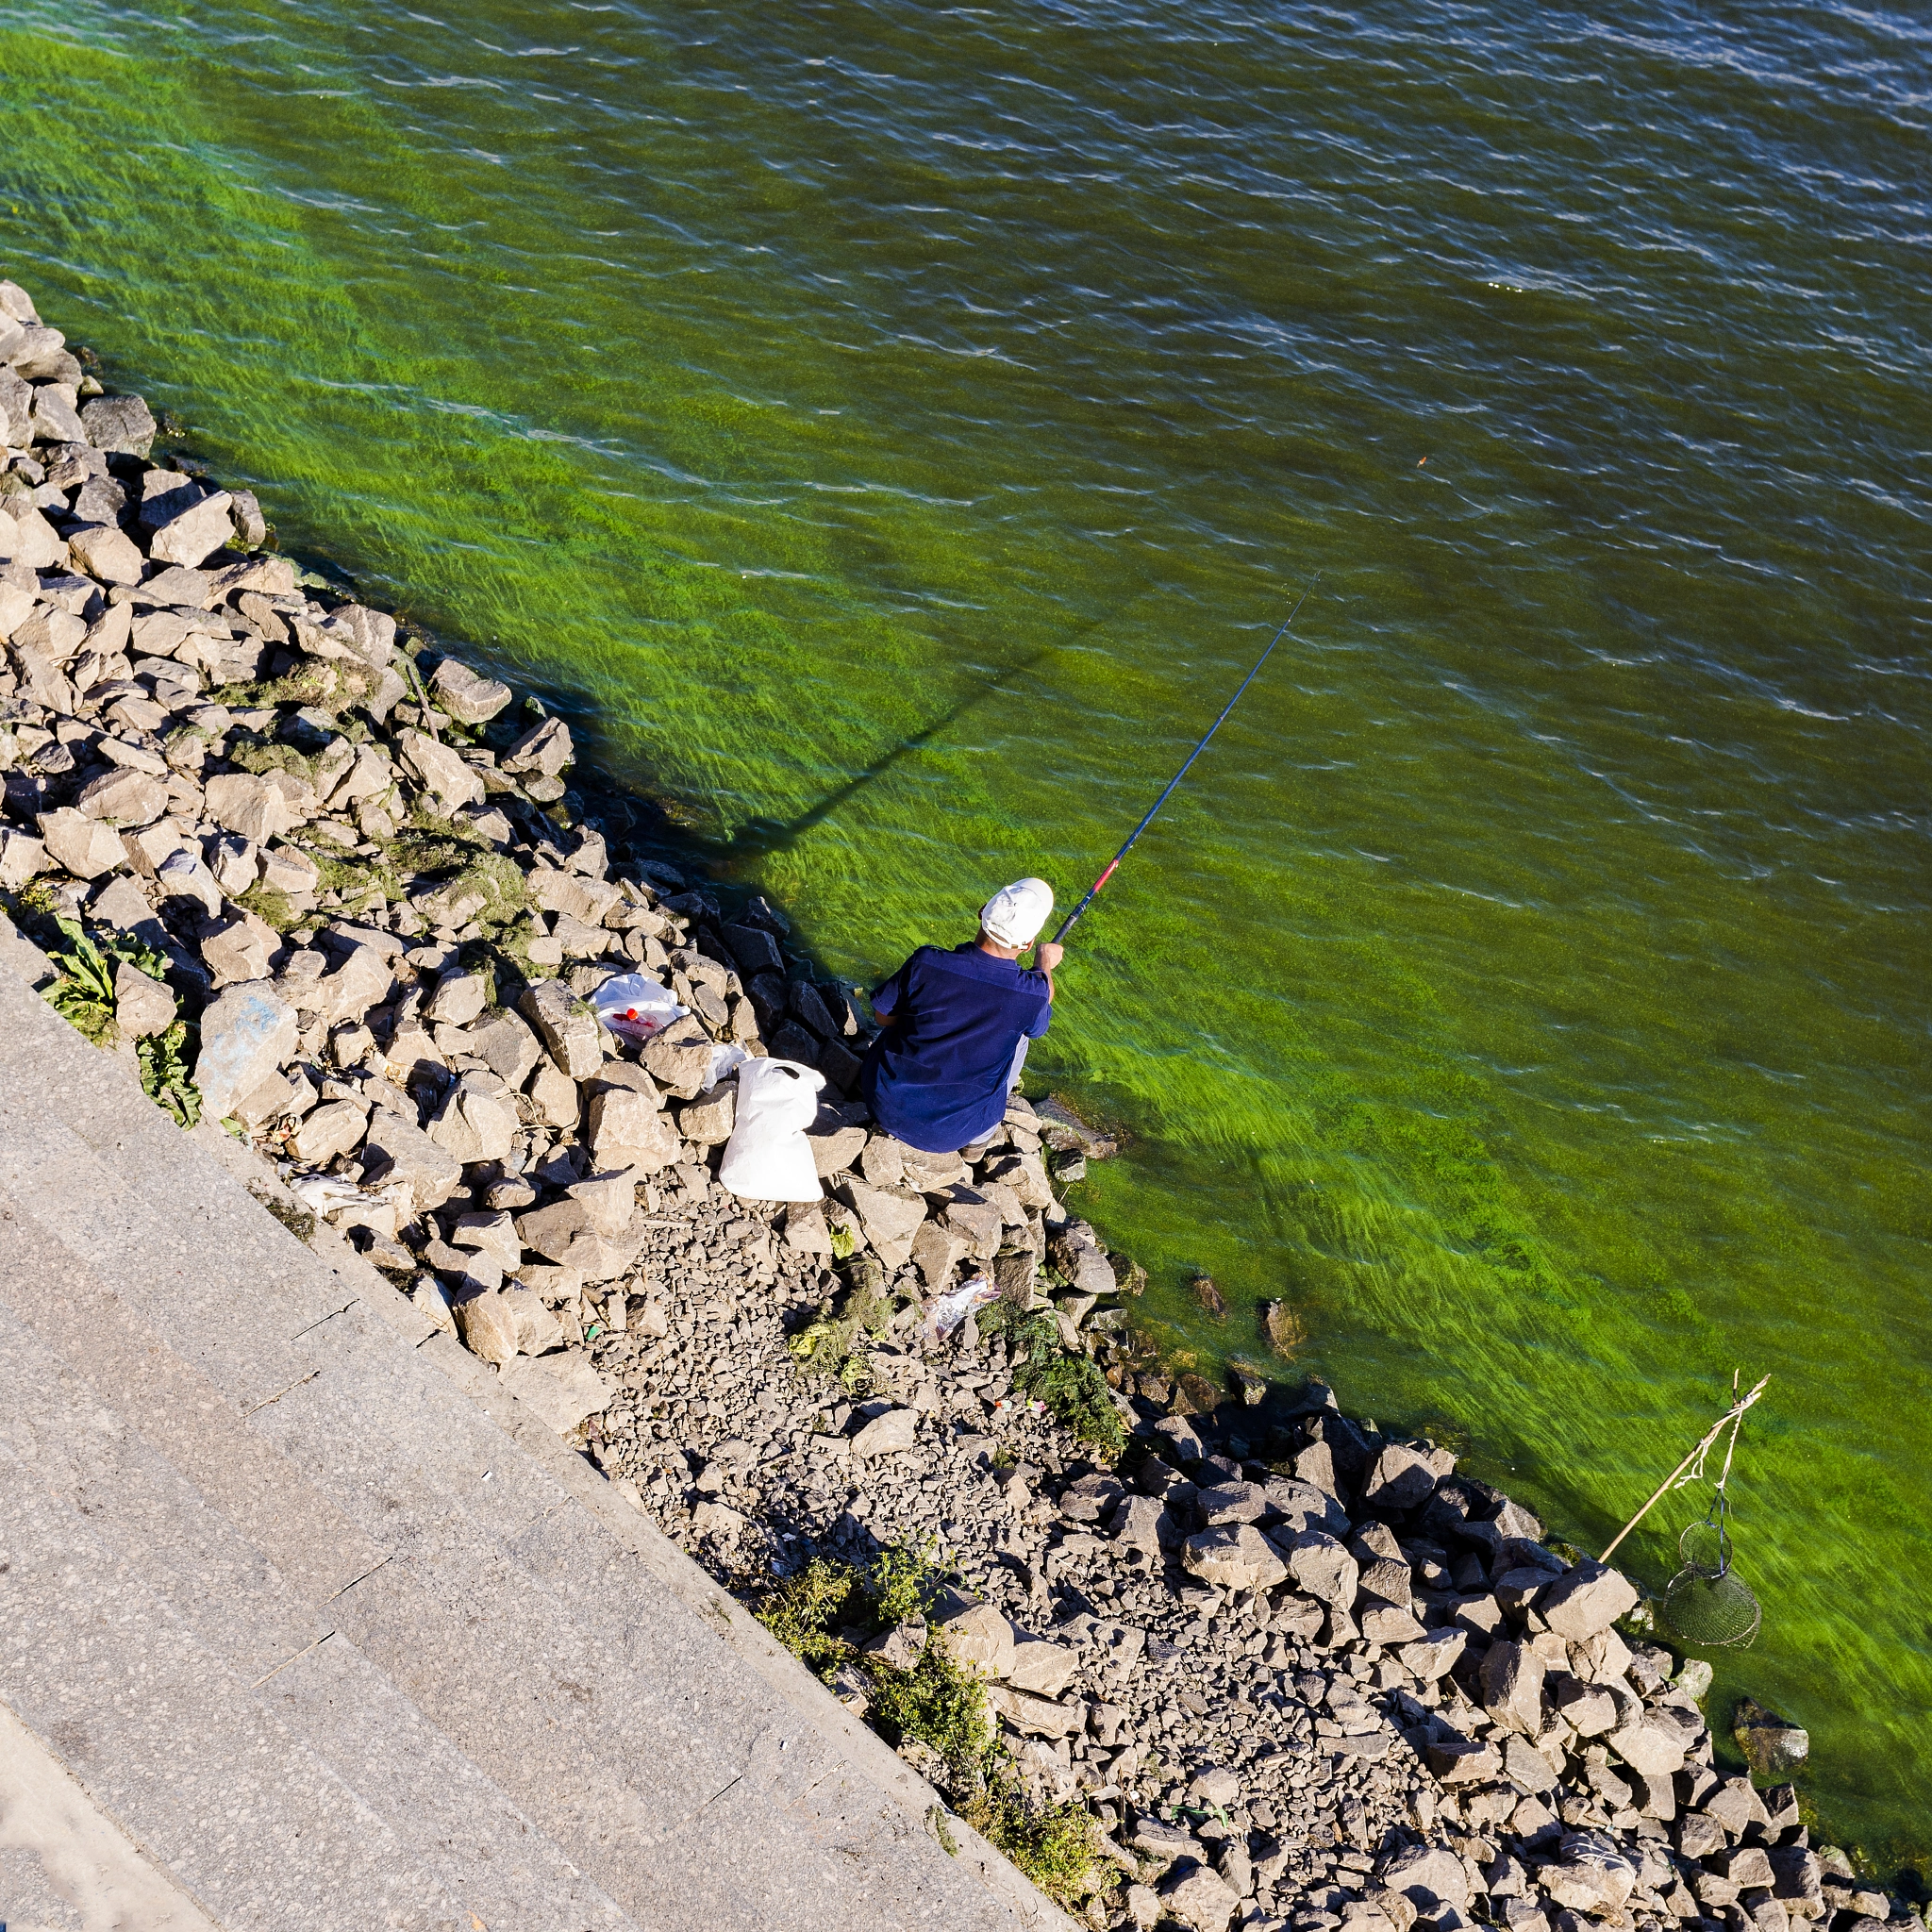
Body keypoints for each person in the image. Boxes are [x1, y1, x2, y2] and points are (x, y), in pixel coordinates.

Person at [861, 877, 1062, 1157]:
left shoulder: (927, 961)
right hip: (952, 1134)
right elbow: (1041, 1004)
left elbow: (882, 1018)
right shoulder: (1032, 994)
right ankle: (978, 1143)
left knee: (906, 1007)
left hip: (883, 1103)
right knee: (1022, 1038)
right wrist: (1045, 962)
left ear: (982, 912)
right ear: (1027, 944)